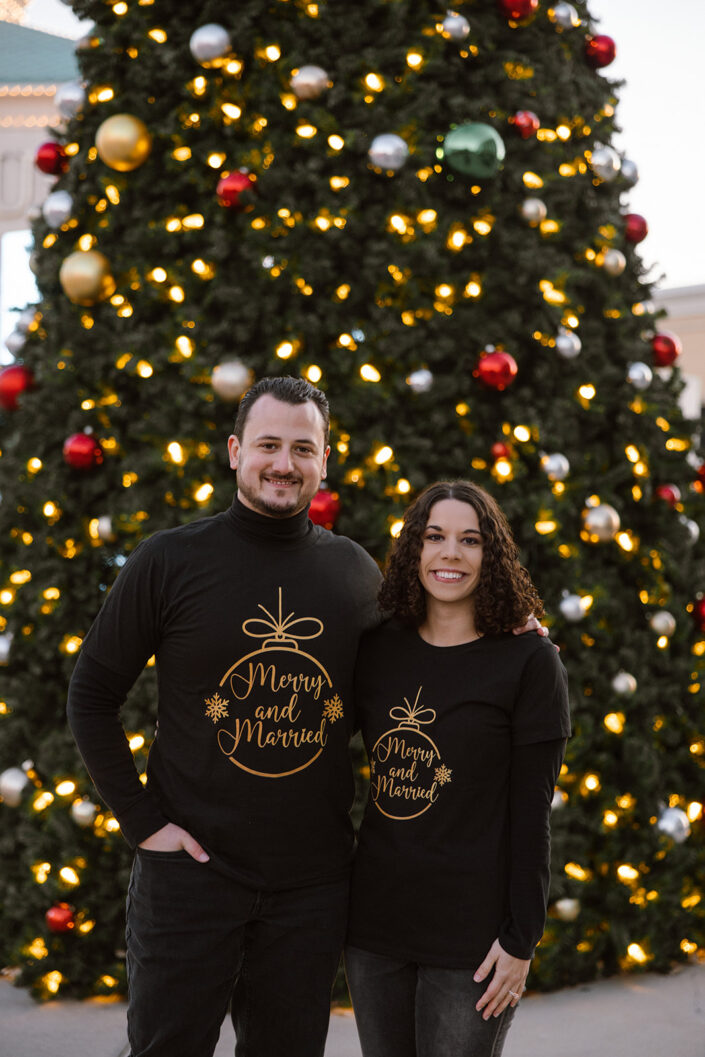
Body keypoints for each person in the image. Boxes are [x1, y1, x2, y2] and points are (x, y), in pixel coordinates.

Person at [67, 376, 382, 1057]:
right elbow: (91, 694)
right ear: (236, 451)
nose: (283, 463)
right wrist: (144, 825)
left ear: (324, 461)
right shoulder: (170, 560)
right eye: (268, 444)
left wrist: (514, 634)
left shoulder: (356, 574)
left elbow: (408, 684)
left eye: (303, 448)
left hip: (311, 885)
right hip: (190, 875)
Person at [345, 480, 570, 1057]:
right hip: (374, 928)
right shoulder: (377, 649)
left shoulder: (529, 662)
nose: (450, 553)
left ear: (491, 555)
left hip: (474, 940)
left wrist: (521, 940)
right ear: (413, 550)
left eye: (470, 540)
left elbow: (532, 814)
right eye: (434, 537)